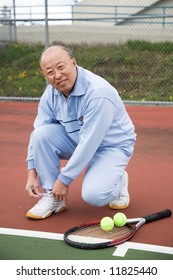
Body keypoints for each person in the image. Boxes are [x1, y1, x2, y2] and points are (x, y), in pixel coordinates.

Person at [25, 45, 136, 219]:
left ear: (74, 63)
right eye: (50, 72)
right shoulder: (51, 94)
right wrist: (31, 171)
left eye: (61, 67)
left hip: (111, 146)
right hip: (78, 138)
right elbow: (38, 132)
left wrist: (63, 180)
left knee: (94, 196)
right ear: (45, 76)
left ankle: (118, 179)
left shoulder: (99, 92)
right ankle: (53, 197)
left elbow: (90, 142)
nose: (58, 75)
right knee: (41, 135)